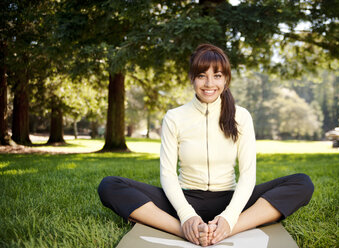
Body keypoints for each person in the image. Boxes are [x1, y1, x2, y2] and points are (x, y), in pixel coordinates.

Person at [98, 44, 314, 247]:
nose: (209, 84)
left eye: (217, 76)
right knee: (110, 185)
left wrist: (229, 219)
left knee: (302, 183)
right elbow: (168, 174)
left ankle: (225, 230)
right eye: (202, 75)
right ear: (192, 78)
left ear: (226, 79)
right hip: (184, 199)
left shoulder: (241, 116)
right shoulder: (174, 117)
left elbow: (248, 175)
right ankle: (187, 230)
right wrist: (186, 216)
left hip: (230, 200)